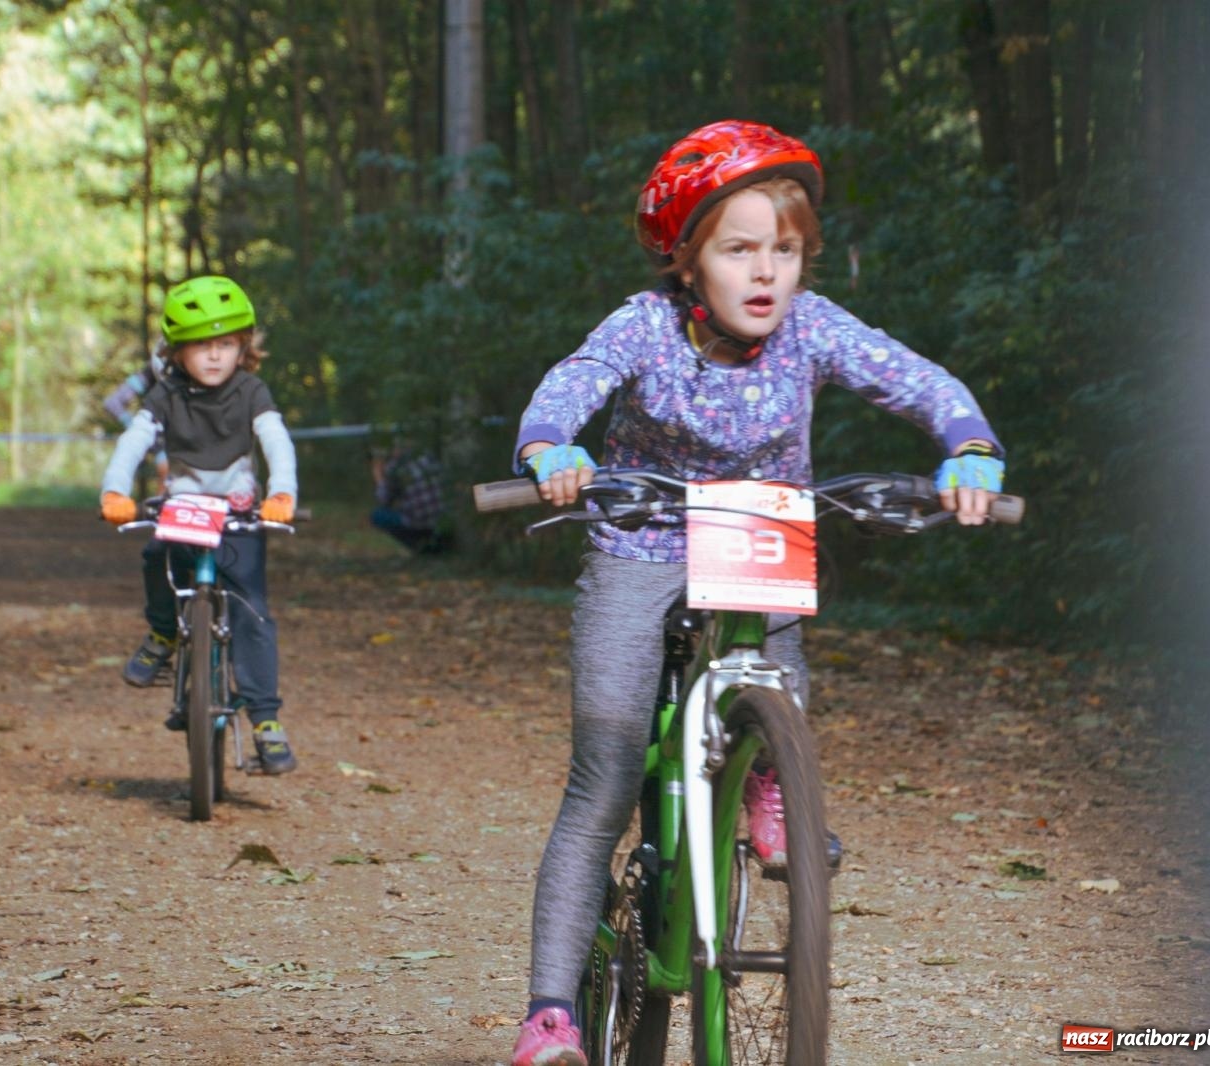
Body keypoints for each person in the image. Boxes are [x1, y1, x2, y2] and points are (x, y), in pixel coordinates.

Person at [504, 119, 1005, 1065]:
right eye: (739, 249)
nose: (767, 271)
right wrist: (550, 447)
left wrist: (969, 446)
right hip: (642, 538)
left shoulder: (813, 329)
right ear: (689, 262)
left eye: (786, 249)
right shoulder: (645, 326)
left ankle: (774, 780)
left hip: (759, 534)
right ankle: (550, 1014)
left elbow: (914, 380)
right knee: (604, 775)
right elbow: (575, 382)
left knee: (780, 692)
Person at [98, 275, 300, 775]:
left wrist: (282, 492)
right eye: (201, 346)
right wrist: (114, 490)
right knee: (155, 558)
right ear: (176, 352)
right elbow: (133, 442)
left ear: (243, 347)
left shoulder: (251, 391)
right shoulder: (166, 395)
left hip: (238, 517)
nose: (214, 356)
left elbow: (275, 439)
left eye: (226, 344)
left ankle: (265, 720)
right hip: (183, 509)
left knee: (252, 610)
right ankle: (165, 632)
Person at [102, 347, 170, 491]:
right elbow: (113, 403)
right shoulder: (153, 370)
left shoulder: (150, 370)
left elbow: (112, 403)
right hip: (165, 443)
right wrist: (140, 429)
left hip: (168, 443)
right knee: (167, 487)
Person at [370, 439, 450, 555]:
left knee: (378, 515)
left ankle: (421, 548)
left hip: (418, 523)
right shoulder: (430, 458)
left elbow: (384, 499)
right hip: (443, 520)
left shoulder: (395, 468)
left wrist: (378, 477)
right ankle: (438, 545)